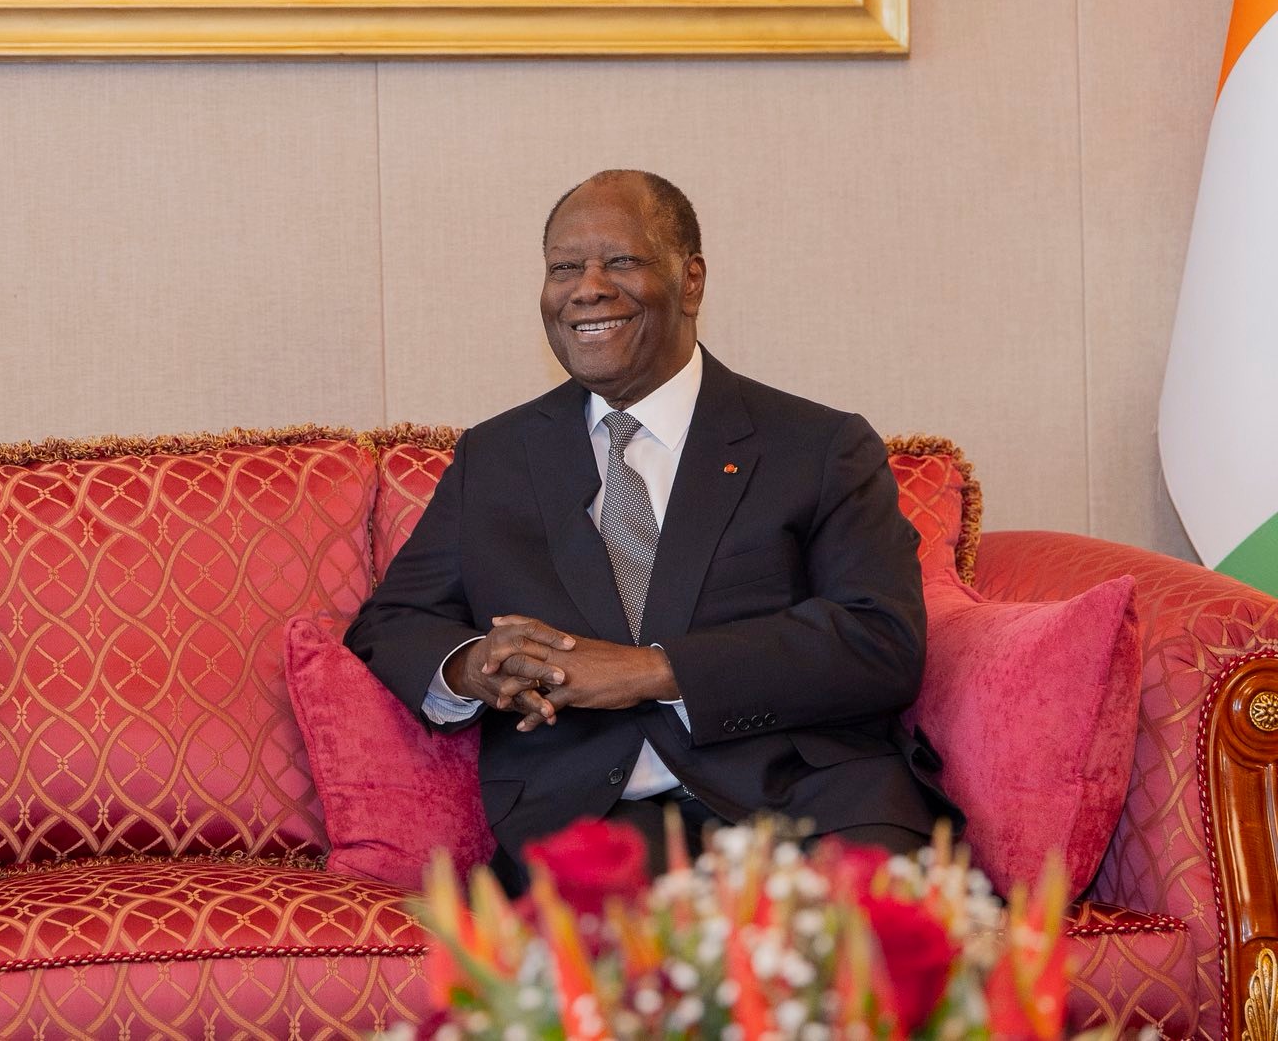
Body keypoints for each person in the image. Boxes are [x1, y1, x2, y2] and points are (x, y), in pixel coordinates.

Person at [344, 170, 946, 889]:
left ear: (690, 281)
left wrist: (654, 671)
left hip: (809, 803)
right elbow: (394, 621)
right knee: (614, 943)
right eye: (565, 268)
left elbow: (880, 640)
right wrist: (473, 665)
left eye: (620, 261)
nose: (587, 289)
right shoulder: (497, 458)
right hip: (592, 822)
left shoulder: (817, 446)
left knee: (874, 939)